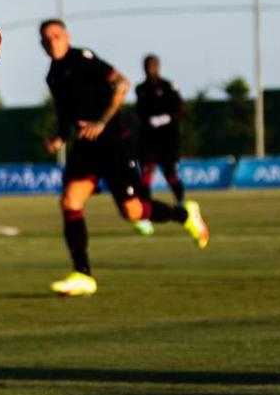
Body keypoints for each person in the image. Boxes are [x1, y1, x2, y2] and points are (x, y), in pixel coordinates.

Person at [40, 21, 208, 298]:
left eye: (56, 36)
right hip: (85, 147)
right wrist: (59, 137)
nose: (52, 42)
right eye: (46, 39)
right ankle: (83, 274)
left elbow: (122, 83)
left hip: (113, 143)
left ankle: (185, 214)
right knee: (70, 201)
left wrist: (102, 121)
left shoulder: (84, 59)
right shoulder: (53, 76)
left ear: (67, 37)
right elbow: (65, 114)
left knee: (132, 211)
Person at [134, 54, 186, 206]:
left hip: (167, 138)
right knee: (146, 174)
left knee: (170, 174)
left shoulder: (168, 86)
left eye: (151, 65)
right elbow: (139, 113)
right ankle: (146, 207)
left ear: (157, 66)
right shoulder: (141, 89)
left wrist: (166, 118)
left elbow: (182, 109)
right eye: (146, 66)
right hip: (148, 139)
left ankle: (181, 202)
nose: (148, 69)